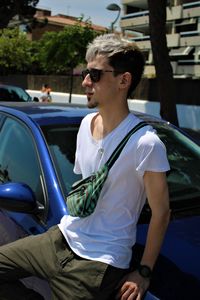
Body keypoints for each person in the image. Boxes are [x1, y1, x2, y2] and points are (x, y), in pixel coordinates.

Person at [0, 34, 170, 300]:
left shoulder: (146, 143)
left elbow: (161, 213)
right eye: (85, 73)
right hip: (61, 237)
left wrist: (144, 271)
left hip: (100, 261)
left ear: (123, 80)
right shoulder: (85, 124)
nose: (85, 82)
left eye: (94, 74)